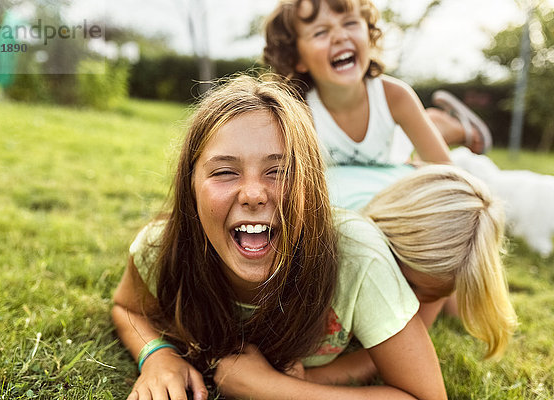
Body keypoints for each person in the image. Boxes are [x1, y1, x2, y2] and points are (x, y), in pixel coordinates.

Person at [111, 75, 447, 399]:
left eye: (279, 171)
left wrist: (267, 388)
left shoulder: (357, 256)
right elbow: (127, 308)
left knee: (441, 289)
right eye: (225, 171)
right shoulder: (161, 247)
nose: (253, 195)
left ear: (311, 185)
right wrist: (157, 354)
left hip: (402, 230)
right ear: (191, 187)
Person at [304, 164, 518, 385]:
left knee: (462, 313)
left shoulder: (441, 264)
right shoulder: (339, 239)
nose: (408, 301)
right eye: (407, 284)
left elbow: (384, 354)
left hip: (399, 191)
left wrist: (307, 380)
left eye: (430, 295)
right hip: (368, 181)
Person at [262, 0, 493, 170]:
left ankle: (457, 129)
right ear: (297, 58)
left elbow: (445, 170)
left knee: (417, 164)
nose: (340, 36)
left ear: (369, 35)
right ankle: (435, 121)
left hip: (394, 156)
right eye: (321, 32)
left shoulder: (395, 96)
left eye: (351, 23)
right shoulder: (301, 112)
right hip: (386, 152)